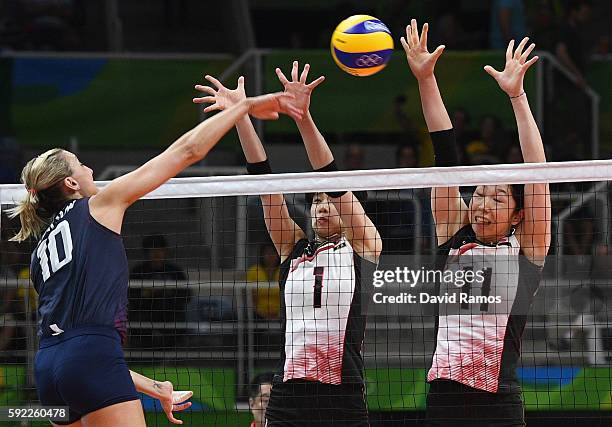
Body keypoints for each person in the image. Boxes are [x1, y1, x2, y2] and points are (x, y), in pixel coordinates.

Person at [8, 86, 299, 426]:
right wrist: (244, 107)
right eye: (83, 166)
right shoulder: (98, 205)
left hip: (48, 369)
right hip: (90, 357)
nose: (90, 170)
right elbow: (189, 150)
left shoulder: (42, 250)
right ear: (71, 183)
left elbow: (74, 344)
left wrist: (155, 386)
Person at [194, 62, 382, 426]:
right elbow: (265, 187)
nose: (322, 205)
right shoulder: (293, 250)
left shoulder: (363, 245)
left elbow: (332, 178)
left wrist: (303, 118)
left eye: (330, 200)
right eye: (315, 201)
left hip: (341, 394)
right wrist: (240, 116)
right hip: (288, 393)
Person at [402, 20, 551, 425]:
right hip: (444, 398)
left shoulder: (527, 250)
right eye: (479, 193)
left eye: (498, 197)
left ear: (518, 213)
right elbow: (444, 154)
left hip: (497, 399)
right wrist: (426, 79)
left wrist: (517, 96)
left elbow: (537, 173)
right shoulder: (453, 235)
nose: (482, 203)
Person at [246, 243, 281, 319]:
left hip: (282, 312)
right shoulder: (253, 271)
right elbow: (251, 297)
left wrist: (280, 313)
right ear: (262, 255)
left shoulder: (284, 270)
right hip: (258, 313)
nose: (271, 256)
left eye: (273, 253)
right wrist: (261, 313)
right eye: (268, 253)